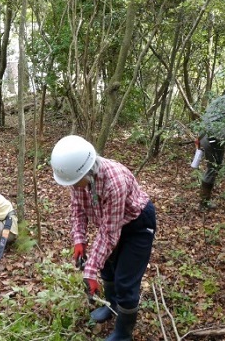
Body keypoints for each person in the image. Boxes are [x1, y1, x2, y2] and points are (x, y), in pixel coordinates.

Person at [50, 135, 156, 341]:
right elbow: (77, 209)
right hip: (113, 223)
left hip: (137, 224)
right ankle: (112, 307)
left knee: (125, 280)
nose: (73, 186)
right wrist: (79, 239)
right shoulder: (78, 178)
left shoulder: (113, 182)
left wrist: (90, 270)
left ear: (87, 171)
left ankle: (123, 333)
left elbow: (109, 232)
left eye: (75, 182)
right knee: (107, 269)